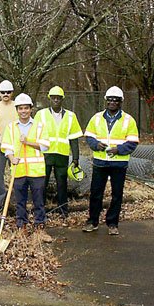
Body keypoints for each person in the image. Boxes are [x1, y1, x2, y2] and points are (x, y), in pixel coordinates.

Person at [83, 86, 139, 235]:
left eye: (116, 100)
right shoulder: (96, 118)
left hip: (119, 163)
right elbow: (89, 135)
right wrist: (96, 145)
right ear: (106, 101)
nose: (113, 102)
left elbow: (133, 141)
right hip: (100, 162)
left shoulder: (129, 120)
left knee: (117, 194)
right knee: (96, 193)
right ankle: (92, 221)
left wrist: (118, 150)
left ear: (121, 102)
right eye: (110, 100)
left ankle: (112, 223)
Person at [0, 94, 51, 241]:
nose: (23, 111)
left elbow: (45, 146)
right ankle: (21, 227)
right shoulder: (11, 127)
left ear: (31, 109)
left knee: (38, 201)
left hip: (36, 171)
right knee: (20, 201)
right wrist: (11, 158)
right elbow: (6, 148)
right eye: (21, 108)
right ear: (17, 110)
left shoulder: (39, 126)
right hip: (19, 170)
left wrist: (28, 141)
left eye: (26, 108)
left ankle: (39, 229)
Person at [35, 86, 83, 221]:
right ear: (49, 99)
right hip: (45, 154)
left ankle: (63, 210)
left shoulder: (70, 116)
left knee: (62, 183)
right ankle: (40, 210)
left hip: (62, 154)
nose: (56, 100)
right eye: (53, 98)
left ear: (62, 99)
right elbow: (35, 135)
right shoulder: (41, 114)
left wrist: (76, 158)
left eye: (58, 98)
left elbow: (74, 138)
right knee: (42, 183)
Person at [0, 80, 17, 209]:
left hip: (15, 147)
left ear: (12, 92)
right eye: (3, 92)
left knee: (17, 172)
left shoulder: (18, 106)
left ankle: (17, 196)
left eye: (8, 92)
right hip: (0, 146)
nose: (5, 94)